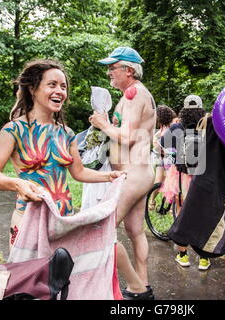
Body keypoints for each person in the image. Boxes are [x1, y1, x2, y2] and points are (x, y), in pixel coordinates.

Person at [0, 59, 124, 251]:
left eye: (63, 87)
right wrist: (17, 183)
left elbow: (79, 172)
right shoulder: (13, 130)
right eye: (52, 85)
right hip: (29, 219)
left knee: (62, 279)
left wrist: (109, 176)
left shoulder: (67, 133)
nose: (60, 91)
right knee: (27, 278)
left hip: (63, 219)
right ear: (33, 89)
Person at [89, 47, 157, 300]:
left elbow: (127, 138)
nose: (108, 73)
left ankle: (133, 285)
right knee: (135, 232)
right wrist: (106, 126)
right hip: (139, 173)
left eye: (112, 67)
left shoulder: (133, 93)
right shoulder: (134, 94)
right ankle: (142, 286)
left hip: (133, 174)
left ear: (128, 70)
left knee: (101, 229)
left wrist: (103, 124)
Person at [158, 95, 210, 270]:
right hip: (202, 176)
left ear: (184, 110)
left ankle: (183, 255)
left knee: (182, 214)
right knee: (203, 215)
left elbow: (163, 143)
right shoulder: (207, 126)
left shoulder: (177, 127)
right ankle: (204, 258)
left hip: (181, 176)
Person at [149, 105, 176, 211]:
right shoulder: (171, 127)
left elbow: (156, 144)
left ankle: (152, 202)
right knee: (170, 181)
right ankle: (169, 207)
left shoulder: (162, 129)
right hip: (168, 156)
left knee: (159, 180)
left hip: (161, 156)